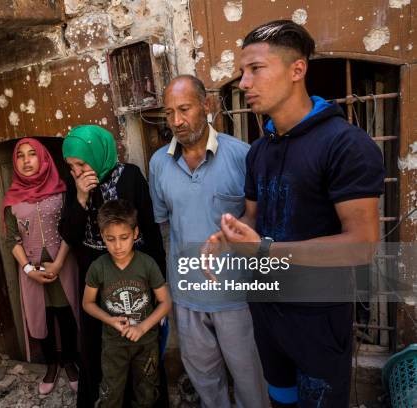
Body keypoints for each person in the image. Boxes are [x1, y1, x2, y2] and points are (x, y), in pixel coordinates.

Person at [207, 20, 385, 407]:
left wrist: (266, 250)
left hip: (317, 319)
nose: (243, 83)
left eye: (255, 69)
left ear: (297, 70)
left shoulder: (345, 145)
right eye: (242, 72)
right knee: (280, 400)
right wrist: (229, 236)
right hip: (268, 313)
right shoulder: (259, 151)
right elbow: (253, 218)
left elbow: (362, 245)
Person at [148, 74, 268, 408]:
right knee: (204, 379)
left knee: (249, 379)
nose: (176, 121)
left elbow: (255, 220)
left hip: (236, 296)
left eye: (184, 109)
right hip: (187, 296)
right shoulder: (159, 163)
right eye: (169, 113)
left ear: (207, 105)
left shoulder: (242, 156)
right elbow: (165, 227)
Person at [59, 125, 167, 407]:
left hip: (134, 272)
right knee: (99, 345)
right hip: (96, 272)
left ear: (97, 153)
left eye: (82, 163)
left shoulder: (129, 176)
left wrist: (159, 287)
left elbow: (151, 231)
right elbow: (69, 235)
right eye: (72, 166)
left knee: (140, 342)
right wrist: (81, 197)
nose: (78, 170)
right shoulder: (75, 183)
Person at [1, 137, 79, 394]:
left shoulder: (62, 189)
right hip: (31, 270)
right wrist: (28, 270)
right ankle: (51, 365)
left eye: (32, 154)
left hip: (63, 264)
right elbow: (11, 238)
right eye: (20, 156)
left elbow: (70, 228)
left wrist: (58, 263)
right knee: (42, 317)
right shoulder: (12, 198)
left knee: (66, 314)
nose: (26, 161)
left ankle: (69, 362)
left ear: (43, 158)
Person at [82, 199, 171, 407]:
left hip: (146, 344)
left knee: (147, 392)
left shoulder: (147, 264)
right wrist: (110, 320)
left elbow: (165, 302)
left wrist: (142, 327)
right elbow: (87, 303)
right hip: (113, 344)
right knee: (110, 393)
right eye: (110, 239)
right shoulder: (98, 267)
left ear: (135, 233)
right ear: (102, 236)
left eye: (124, 237)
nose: (118, 245)